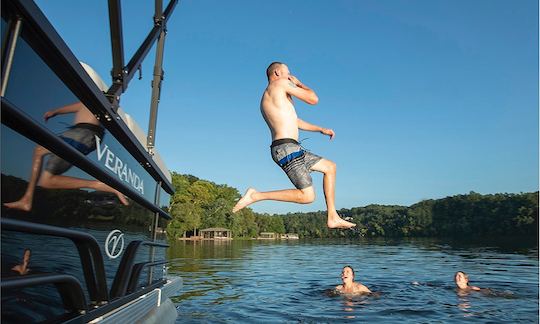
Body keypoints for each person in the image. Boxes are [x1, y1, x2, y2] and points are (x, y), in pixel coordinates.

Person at [232, 62, 355, 229]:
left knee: (330, 167)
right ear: (277, 73)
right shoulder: (280, 84)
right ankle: (256, 195)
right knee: (307, 197)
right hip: (286, 149)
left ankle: (332, 216)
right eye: (287, 73)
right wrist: (299, 83)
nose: (290, 76)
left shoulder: (273, 95)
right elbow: (313, 99)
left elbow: (294, 121)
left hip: (292, 148)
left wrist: (320, 129)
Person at [3, 101, 129, 212]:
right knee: (47, 180)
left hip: (83, 133)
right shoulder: (95, 105)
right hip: (84, 135)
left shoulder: (93, 101)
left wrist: (53, 112)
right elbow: (69, 109)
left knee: (40, 150)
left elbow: (72, 107)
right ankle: (27, 199)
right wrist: (54, 112)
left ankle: (27, 199)